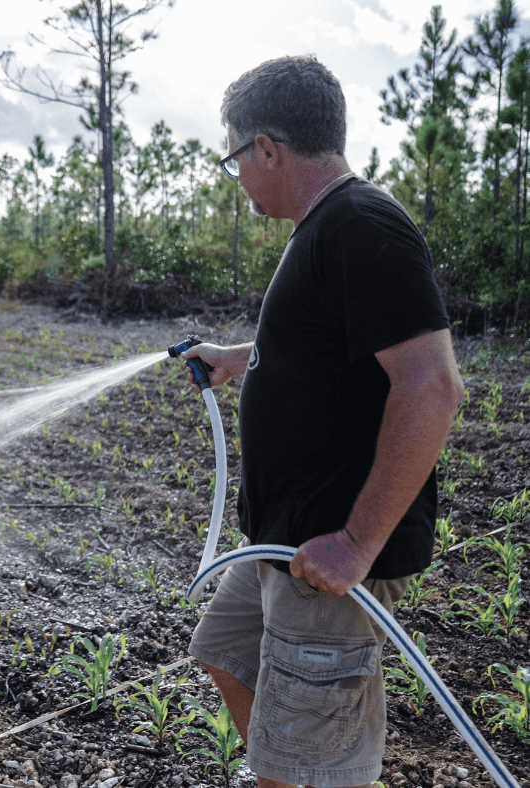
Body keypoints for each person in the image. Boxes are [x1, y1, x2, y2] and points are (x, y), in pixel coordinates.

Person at [180, 56, 464, 788]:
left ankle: (301, 775)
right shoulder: (324, 229)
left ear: (267, 148)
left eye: (235, 159)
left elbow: (432, 387)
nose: (237, 176)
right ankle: (284, 771)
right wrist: (240, 358)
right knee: (225, 650)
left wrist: (357, 543)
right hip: (283, 544)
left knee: (311, 757)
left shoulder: (363, 225)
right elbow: (329, 346)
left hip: (329, 556)